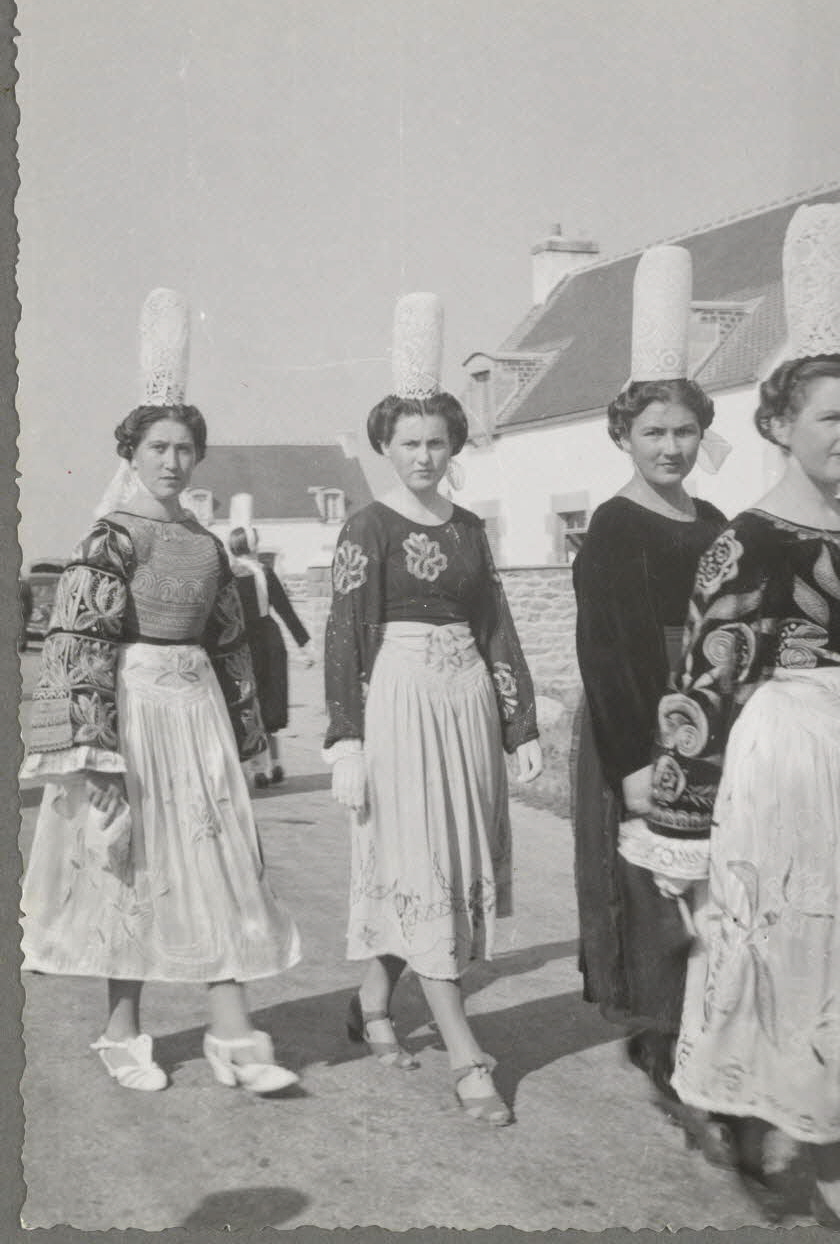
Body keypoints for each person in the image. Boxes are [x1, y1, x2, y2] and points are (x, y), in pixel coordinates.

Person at [630, 351, 840, 1227]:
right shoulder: (745, 542)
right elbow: (703, 692)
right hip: (793, 771)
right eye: (829, 420)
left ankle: (803, 1119)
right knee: (805, 960)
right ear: (778, 426)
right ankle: (835, 1173)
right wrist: (682, 834)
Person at [19, 288, 301, 1095]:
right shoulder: (111, 537)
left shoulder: (205, 544)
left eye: (184, 447)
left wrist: (250, 740)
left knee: (217, 864)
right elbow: (79, 647)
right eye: (158, 447)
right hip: (134, 717)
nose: (172, 461)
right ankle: (121, 1031)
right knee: (133, 869)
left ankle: (231, 1029)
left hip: (197, 718)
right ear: (132, 453)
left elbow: (231, 643)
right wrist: (95, 756)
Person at [324, 292, 542, 1126]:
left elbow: (494, 623)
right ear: (385, 445)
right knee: (421, 865)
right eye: (408, 442)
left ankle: (374, 1001)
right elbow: (345, 633)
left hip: (467, 705)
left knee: (444, 865)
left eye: (435, 442)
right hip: (403, 701)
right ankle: (466, 1056)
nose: (422, 455)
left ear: (453, 446)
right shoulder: (367, 527)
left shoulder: (469, 528)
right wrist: (345, 739)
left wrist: (517, 723)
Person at [570, 246, 729, 1157]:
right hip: (642, 729)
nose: (668, 448)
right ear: (623, 439)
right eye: (652, 434)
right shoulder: (614, 528)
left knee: (711, 890)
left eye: (681, 434)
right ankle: (664, 1052)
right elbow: (609, 654)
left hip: (705, 727)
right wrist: (635, 761)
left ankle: (708, 1045)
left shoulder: (710, 524)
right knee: (652, 893)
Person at [228, 524, 315, 788]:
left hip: (242, 642)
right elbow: (285, 610)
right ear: (253, 546)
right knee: (270, 703)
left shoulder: (228, 575)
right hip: (269, 638)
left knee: (247, 703)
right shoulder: (264, 572)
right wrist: (305, 644)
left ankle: (256, 768)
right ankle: (275, 763)